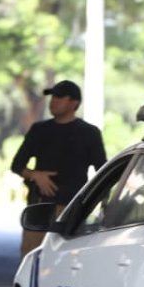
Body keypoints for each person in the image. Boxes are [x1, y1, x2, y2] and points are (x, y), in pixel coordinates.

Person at [11, 80, 107, 257]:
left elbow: (103, 171)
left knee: (67, 259)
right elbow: (17, 165)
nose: (53, 101)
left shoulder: (89, 133)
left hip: (72, 208)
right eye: (52, 96)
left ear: (74, 103)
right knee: (32, 257)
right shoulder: (39, 130)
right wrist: (35, 175)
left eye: (60, 97)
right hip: (39, 207)